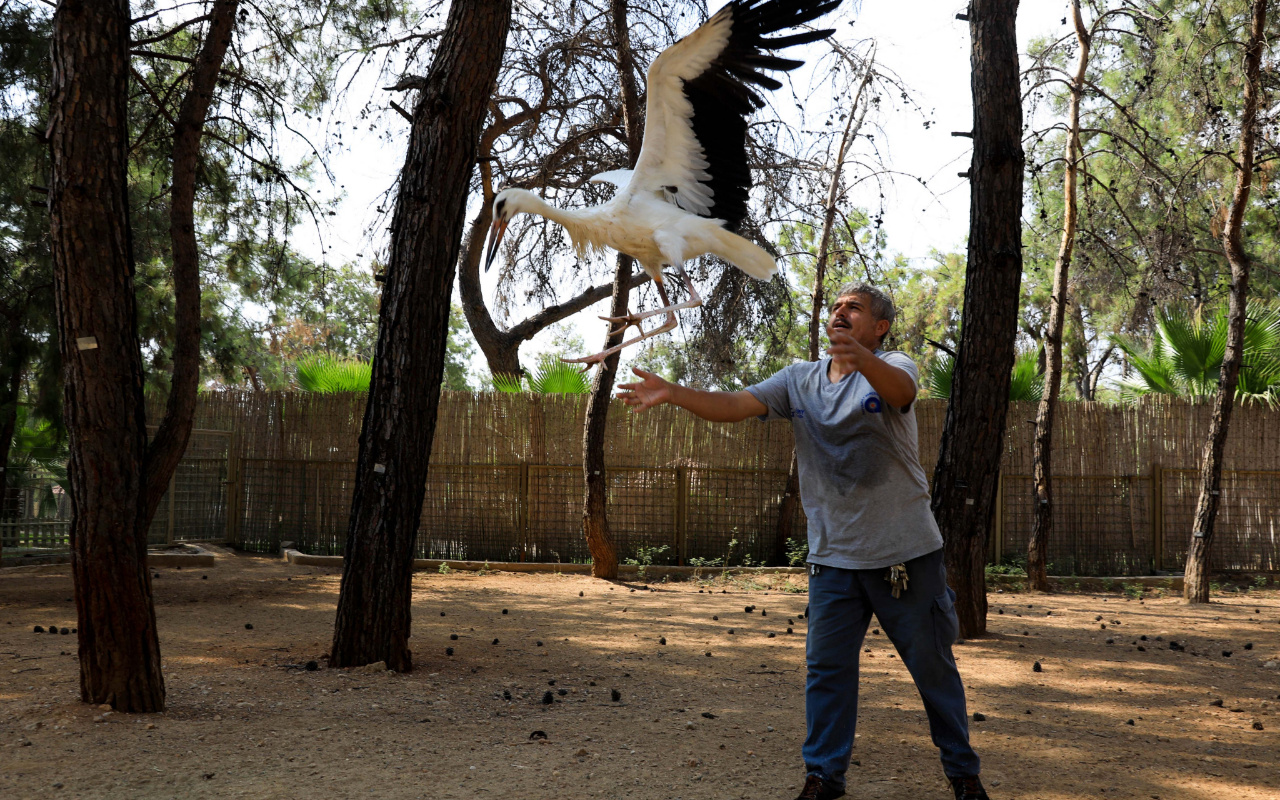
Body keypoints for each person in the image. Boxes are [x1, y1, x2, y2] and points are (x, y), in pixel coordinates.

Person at [617, 282, 990, 800]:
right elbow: (736, 403)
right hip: (833, 559)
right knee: (827, 672)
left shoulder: (894, 367)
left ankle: (963, 774)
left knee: (932, 669)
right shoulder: (799, 380)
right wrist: (677, 393)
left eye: (853, 309)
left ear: (878, 328)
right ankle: (823, 777)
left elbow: (902, 394)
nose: (839, 313)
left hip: (904, 554)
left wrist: (862, 360)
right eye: (836, 307)